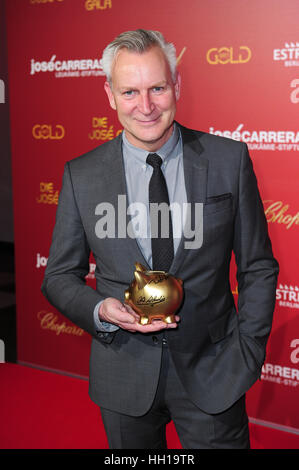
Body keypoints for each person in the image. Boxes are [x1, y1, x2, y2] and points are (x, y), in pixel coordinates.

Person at [42, 29, 279, 449]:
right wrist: (101, 311)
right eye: (129, 92)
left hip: (215, 372)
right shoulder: (83, 175)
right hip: (123, 375)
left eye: (157, 88)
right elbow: (59, 276)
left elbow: (258, 265)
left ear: (176, 86)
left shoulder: (228, 160)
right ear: (110, 95)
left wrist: (249, 350)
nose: (146, 106)